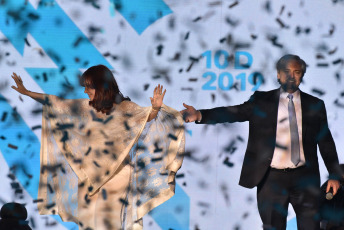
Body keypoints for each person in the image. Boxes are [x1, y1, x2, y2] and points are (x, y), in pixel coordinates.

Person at [11, 65, 185, 230]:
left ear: (102, 87)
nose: (85, 91)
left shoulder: (126, 108)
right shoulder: (85, 108)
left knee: (108, 223)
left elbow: (145, 118)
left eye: (89, 87)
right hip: (88, 176)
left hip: (117, 177)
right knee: (87, 222)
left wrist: (154, 109)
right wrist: (26, 92)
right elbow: (54, 102)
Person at [181, 54, 342, 230]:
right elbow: (234, 112)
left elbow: (325, 141)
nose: (291, 76)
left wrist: (334, 175)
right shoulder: (261, 101)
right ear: (278, 75)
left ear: (301, 75)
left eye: (296, 72)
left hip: (305, 179)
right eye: (286, 71)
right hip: (271, 179)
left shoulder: (315, 104)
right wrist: (200, 115)